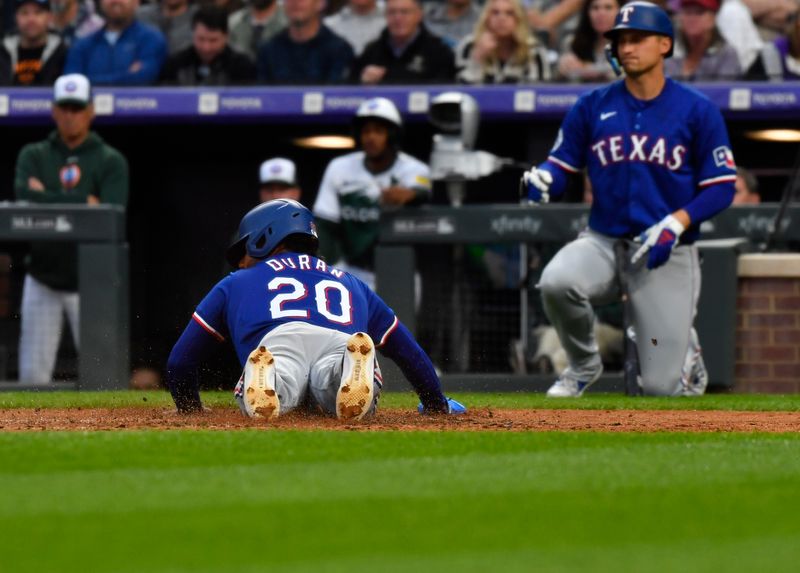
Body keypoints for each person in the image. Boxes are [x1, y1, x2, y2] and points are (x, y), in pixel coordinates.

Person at [522, 1, 736, 397]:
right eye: (620, 40)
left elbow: (722, 186)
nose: (627, 48)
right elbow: (561, 164)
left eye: (637, 39)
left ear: (665, 46)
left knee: (660, 388)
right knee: (556, 281)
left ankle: (684, 349)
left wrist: (677, 222)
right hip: (605, 240)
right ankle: (583, 365)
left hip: (667, 249)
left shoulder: (697, 109)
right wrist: (544, 179)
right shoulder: (593, 104)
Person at [166, 198, 466, 419]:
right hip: (339, 340)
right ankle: (346, 368)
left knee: (282, 382)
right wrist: (435, 402)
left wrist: (190, 407)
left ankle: (269, 377)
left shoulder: (237, 281)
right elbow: (408, 351)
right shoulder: (354, 284)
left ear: (263, 239)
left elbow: (180, 361)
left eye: (243, 252)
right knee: (332, 379)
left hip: (277, 343)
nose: (241, 262)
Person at [14, 73, 129, 384]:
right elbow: (24, 197)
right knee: (32, 378)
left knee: (104, 377)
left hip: (92, 283)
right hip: (43, 276)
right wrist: (82, 201)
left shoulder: (110, 160)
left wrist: (46, 197)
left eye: (76, 108)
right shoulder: (34, 154)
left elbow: (110, 213)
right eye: (64, 107)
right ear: (53, 110)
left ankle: (113, 432)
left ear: (91, 110)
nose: (70, 115)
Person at [313, 97, 431, 290]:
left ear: (392, 135)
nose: (371, 137)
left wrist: (410, 196)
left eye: (378, 131)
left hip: (398, 271)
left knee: (400, 321)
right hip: (353, 271)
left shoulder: (413, 169)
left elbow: (423, 192)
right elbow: (325, 225)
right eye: (366, 131)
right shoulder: (340, 167)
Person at [64, 0, 168, 85]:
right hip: (90, 109)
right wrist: (127, 75)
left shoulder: (151, 39)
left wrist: (88, 81)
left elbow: (144, 78)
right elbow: (71, 85)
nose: (116, 1)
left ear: (137, 2)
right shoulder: (83, 45)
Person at [351, 0, 456, 84]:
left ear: (419, 15)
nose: (398, 18)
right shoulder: (371, 51)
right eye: (392, 12)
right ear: (385, 16)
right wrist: (363, 83)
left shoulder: (439, 51)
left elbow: (445, 91)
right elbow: (349, 89)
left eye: (404, 12)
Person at [256, 0, 354, 84]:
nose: (296, 2)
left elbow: (337, 98)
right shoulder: (268, 51)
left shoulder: (339, 50)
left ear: (321, 3)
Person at [455, 0, 552, 83]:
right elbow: (460, 92)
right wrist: (478, 58)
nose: (501, 18)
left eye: (509, 13)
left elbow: (540, 94)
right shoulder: (469, 45)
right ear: (486, 18)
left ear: (519, 19)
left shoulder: (534, 50)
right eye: (495, 12)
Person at [159, 5, 256, 86]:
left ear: (226, 37)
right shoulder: (176, 64)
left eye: (213, 40)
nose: (206, 47)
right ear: (192, 34)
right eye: (201, 39)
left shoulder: (242, 65)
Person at [665, 0, 742, 81]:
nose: (692, 18)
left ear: (713, 18)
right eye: (687, 12)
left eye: (699, 12)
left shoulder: (727, 54)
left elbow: (723, 91)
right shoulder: (671, 51)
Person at [0, 0, 68, 86]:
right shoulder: (3, 52)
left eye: (38, 13)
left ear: (50, 17)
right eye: (24, 13)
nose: (31, 19)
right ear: (15, 17)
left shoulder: (62, 53)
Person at [557, 0, 620, 82]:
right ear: (587, 12)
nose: (601, 13)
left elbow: (619, 71)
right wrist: (564, 66)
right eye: (595, 8)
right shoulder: (572, 42)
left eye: (608, 7)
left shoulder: (628, 43)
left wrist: (584, 68)